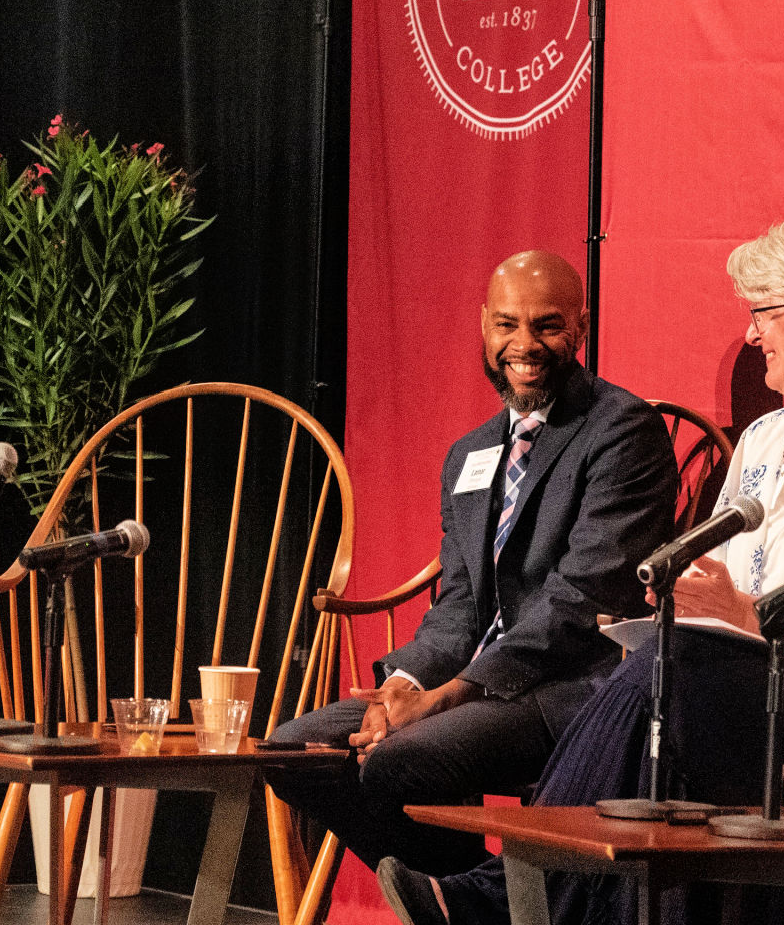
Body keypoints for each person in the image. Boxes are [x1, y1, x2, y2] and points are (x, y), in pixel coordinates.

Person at [378, 212, 784, 925]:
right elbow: (719, 596)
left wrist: (747, 617)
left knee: (674, 677)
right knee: (663, 665)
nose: (753, 333)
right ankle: (525, 898)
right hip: (751, 700)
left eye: (765, 312)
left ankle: (507, 896)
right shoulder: (767, 440)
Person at [267, 250, 682, 876]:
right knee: (293, 749)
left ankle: (469, 903)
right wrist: (404, 687)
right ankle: (473, 904)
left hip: (569, 688)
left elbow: (582, 600)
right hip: (467, 688)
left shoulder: (624, 432)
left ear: (581, 326)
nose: (524, 344)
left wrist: (446, 697)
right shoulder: (471, 452)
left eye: (547, 325)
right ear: (483, 325)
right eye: (507, 324)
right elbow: (459, 601)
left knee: (399, 759)